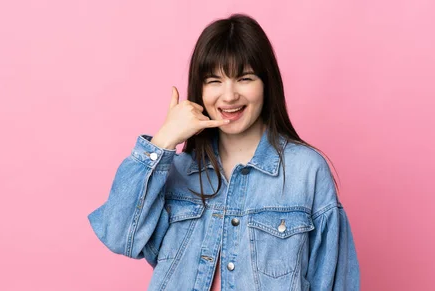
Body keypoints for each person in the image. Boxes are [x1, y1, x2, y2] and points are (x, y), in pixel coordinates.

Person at [87, 13, 360, 291]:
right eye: (214, 80)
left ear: (267, 84)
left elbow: (336, 281)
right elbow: (118, 234)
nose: (229, 96)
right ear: (200, 90)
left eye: (244, 78)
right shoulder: (176, 172)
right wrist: (164, 140)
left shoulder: (306, 172)